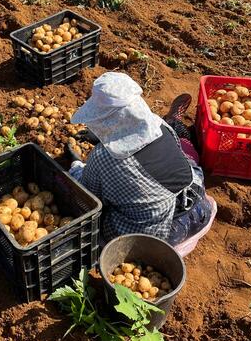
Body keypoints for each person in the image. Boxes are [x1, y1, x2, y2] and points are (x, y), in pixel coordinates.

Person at [66, 72, 216, 255]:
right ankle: (175, 122)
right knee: (187, 154)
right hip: (200, 207)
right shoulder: (159, 125)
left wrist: (76, 165)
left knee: (92, 210)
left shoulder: (103, 157)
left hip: (164, 235)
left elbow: (87, 194)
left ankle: (177, 122)